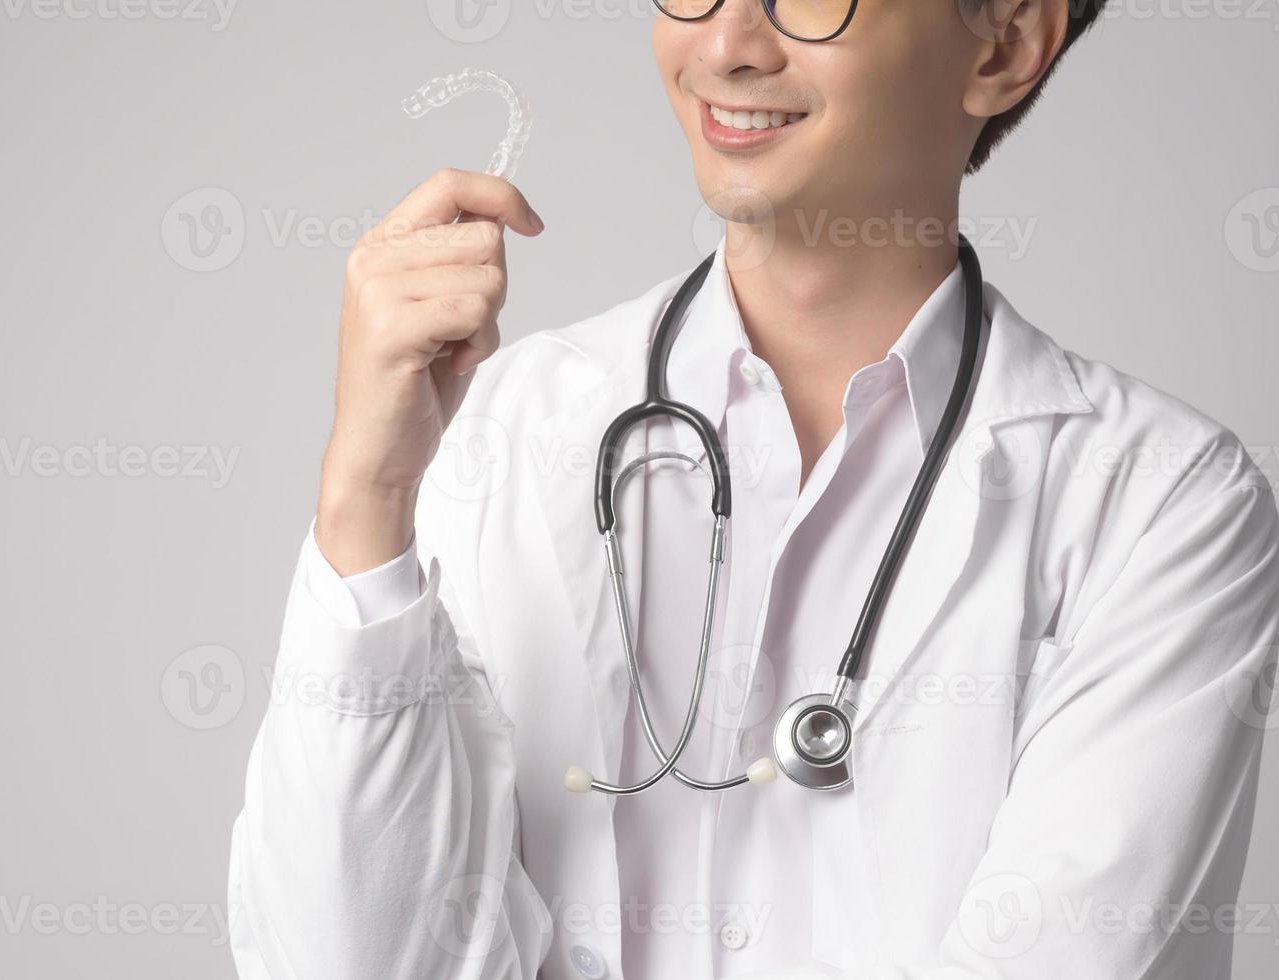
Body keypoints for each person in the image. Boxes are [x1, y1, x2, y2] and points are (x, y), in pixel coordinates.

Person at [227, 0, 1279, 975]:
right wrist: (364, 500)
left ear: (1001, 43)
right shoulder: (496, 430)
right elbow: (339, 956)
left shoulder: (1155, 501)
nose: (723, 42)